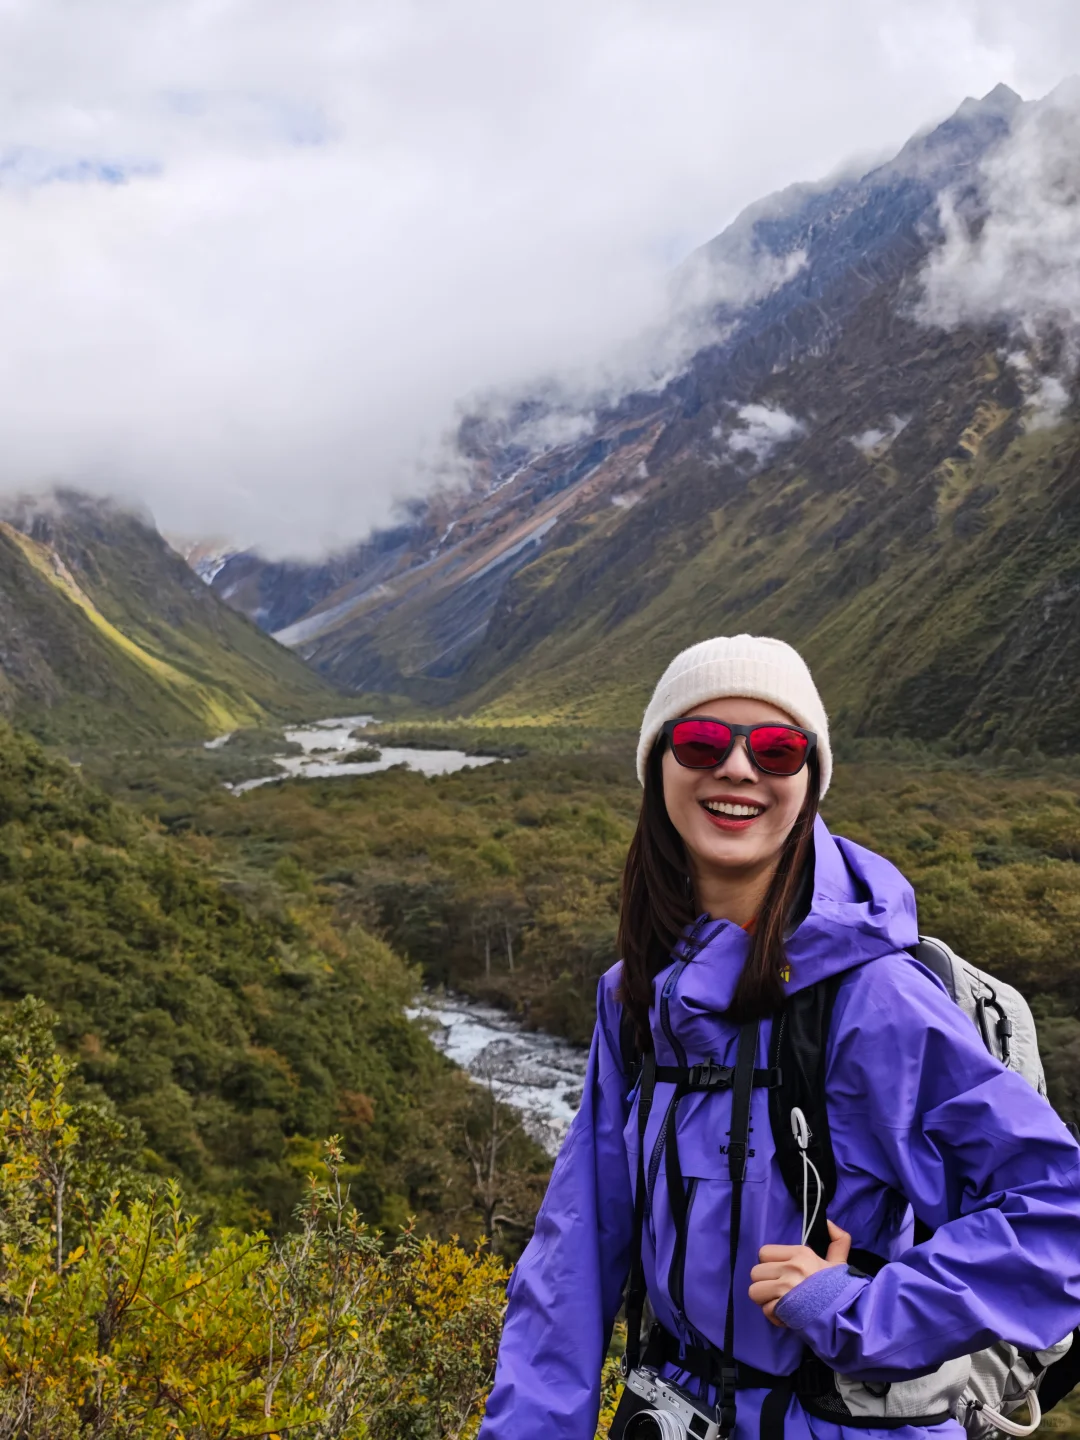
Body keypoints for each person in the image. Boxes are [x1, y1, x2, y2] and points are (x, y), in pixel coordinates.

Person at [478, 634, 1080, 1440]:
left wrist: (865, 1312)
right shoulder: (634, 996)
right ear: (658, 767)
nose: (736, 769)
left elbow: (1057, 1213)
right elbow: (572, 1257)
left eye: (777, 748)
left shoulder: (871, 997)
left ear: (810, 780)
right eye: (698, 740)